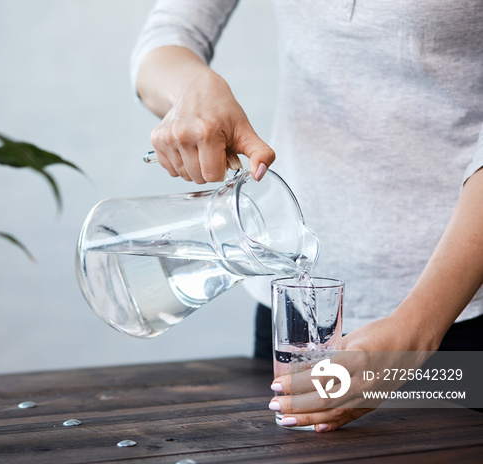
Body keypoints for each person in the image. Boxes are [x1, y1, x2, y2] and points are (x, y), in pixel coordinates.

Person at [131, 0, 483, 431]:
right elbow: (165, 39)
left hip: (456, 314)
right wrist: (194, 90)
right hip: (290, 322)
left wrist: (414, 332)